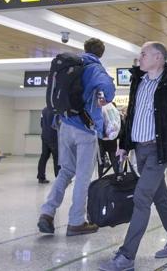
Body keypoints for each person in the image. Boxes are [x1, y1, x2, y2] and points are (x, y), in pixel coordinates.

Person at [99, 42, 167, 271]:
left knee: (141, 197)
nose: (139, 58)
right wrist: (124, 145)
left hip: (159, 149)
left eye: (143, 54)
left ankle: (126, 257)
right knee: (159, 197)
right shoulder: (138, 80)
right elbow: (132, 114)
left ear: (158, 57)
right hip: (140, 149)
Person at [38, 38, 115, 236]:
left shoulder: (71, 64)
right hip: (85, 128)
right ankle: (76, 221)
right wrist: (106, 98)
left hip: (64, 125)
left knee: (65, 171)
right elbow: (108, 88)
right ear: (101, 53)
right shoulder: (94, 67)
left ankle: (47, 212)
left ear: (84, 48)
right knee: (83, 175)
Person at [37, 107, 59, 184]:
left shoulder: (44, 110)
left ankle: (41, 177)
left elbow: (41, 124)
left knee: (44, 157)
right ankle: (59, 178)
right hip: (54, 136)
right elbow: (58, 124)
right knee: (57, 158)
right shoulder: (57, 110)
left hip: (45, 136)